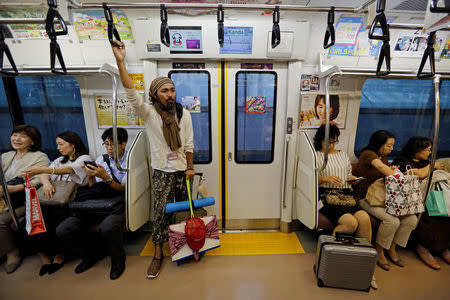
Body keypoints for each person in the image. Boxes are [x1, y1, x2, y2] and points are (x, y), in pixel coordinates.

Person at [111, 40, 194, 279]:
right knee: (160, 213)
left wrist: (189, 167)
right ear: (155, 95)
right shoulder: (148, 113)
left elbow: (188, 144)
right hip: (161, 171)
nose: (170, 95)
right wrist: (121, 63)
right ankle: (158, 254)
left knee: (184, 211)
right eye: (164, 91)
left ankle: (183, 246)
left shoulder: (182, 113)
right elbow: (130, 92)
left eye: (172, 90)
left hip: (182, 171)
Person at [56, 127, 128, 280]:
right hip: (96, 202)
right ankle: (90, 255)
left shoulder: (130, 160)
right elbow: (93, 188)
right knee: (64, 229)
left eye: (113, 144)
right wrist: (91, 177)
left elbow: (122, 189)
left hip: (117, 203)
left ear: (123, 144)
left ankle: (118, 259)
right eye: (106, 144)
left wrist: (106, 177)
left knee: (108, 226)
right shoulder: (101, 160)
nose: (109, 148)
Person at [21, 131, 91, 276]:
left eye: (61, 144)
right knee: (31, 221)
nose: (58, 148)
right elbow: (45, 175)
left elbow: (69, 170)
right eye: (57, 145)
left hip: (72, 200)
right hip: (52, 198)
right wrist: (46, 183)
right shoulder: (60, 159)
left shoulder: (84, 158)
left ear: (72, 144)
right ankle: (45, 256)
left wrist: (41, 169)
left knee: (52, 219)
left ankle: (59, 254)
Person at [354, 130, 417, 271]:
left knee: (411, 219)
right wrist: (394, 173)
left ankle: (392, 248)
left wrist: (392, 170)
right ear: (379, 144)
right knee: (392, 220)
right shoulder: (369, 154)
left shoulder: (383, 157)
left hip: (381, 197)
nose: (391, 149)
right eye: (389, 145)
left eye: (393, 146)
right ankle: (379, 250)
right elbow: (380, 167)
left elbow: (385, 174)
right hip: (364, 197)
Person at [392, 137, 449, 270]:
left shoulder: (427, 162)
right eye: (428, 150)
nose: (430, 153)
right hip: (409, 198)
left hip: (429, 195)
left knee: (446, 209)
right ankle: (423, 247)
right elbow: (416, 175)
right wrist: (431, 166)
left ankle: (443, 247)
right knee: (430, 214)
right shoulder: (402, 161)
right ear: (417, 150)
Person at [0, 125, 49, 274]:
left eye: (22, 136)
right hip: (5, 199)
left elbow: (39, 179)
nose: (17, 139)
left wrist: (17, 188)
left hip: (24, 201)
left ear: (33, 141)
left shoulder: (40, 157)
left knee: (1, 220)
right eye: (15, 135)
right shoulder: (6, 156)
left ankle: (12, 253)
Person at [314, 125, 372, 240]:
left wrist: (351, 179)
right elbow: (309, 181)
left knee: (364, 219)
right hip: (326, 195)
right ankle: (334, 251)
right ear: (320, 140)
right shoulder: (315, 156)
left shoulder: (343, 155)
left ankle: (363, 255)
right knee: (350, 223)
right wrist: (325, 179)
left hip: (345, 195)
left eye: (334, 142)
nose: (331, 145)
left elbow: (348, 174)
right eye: (328, 142)